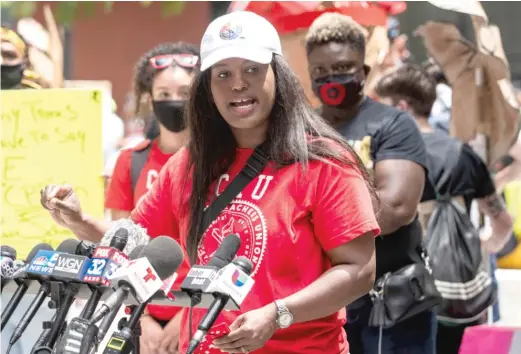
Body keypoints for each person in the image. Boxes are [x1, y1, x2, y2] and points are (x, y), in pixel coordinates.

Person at [41, 11, 380, 354]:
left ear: (278, 75)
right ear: (207, 88)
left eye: (252, 69)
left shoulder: (323, 161)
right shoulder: (189, 165)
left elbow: (359, 269)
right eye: (223, 74)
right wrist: (79, 220)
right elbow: (136, 243)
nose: (237, 83)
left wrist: (277, 315)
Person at [305, 13, 436, 354]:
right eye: (320, 71)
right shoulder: (300, 132)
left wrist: (314, 215)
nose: (331, 78)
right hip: (324, 304)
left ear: (363, 71)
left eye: (343, 68)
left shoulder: (393, 124)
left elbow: (394, 209)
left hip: (392, 308)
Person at [374, 64, 514, 354]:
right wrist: (482, 248)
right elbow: (502, 222)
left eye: (382, 110)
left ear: (401, 108)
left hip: (407, 297)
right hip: (463, 297)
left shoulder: (389, 160)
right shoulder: (463, 153)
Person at [104, 42, 200, 354]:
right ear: (149, 98)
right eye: (164, 94)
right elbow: (118, 251)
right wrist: (140, 318)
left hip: (204, 315)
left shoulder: (222, 163)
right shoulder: (129, 161)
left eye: (185, 92)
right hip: (140, 319)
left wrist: (189, 316)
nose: (174, 102)